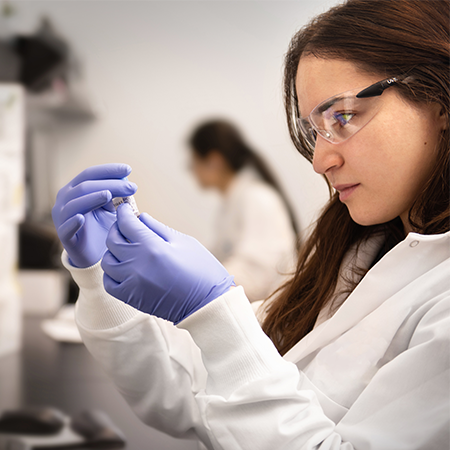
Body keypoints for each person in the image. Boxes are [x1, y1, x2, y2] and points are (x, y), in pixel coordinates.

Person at [51, 0, 449, 448]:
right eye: (314, 129)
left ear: (439, 99)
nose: (320, 160)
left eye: (343, 116)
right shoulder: (361, 251)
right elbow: (198, 392)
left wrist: (210, 302)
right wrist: (98, 276)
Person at [188, 119, 298, 302]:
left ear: (214, 161)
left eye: (193, 162)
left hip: (272, 316)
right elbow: (217, 259)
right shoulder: (230, 206)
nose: (191, 170)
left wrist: (197, 286)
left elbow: (257, 274)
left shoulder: (257, 199)